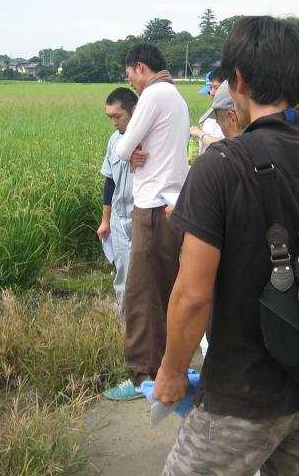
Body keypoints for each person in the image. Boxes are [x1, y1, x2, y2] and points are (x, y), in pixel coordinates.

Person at [153, 16, 299, 475]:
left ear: (240, 81)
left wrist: (171, 372)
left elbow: (192, 296)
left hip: (241, 398)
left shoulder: (222, 165)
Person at [102, 43, 190, 401]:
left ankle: (142, 377)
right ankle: (170, 366)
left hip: (152, 207)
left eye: (130, 77)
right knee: (164, 290)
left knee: (141, 295)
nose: (133, 85)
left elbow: (122, 150)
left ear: (141, 67)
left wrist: (131, 152)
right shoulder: (178, 98)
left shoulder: (155, 94)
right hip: (172, 205)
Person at [96, 87, 138, 315]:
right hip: (118, 220)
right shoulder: (114, 140)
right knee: (122, 274)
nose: (114, 122)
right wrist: (105, 221)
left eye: (118, 116)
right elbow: (109, 182)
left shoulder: (149, 139)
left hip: (141, 217)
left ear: (134, 111)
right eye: (110, 117)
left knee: (143, 276)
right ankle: (126, 326)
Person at [190, 67, 225, 151]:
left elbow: (228, 145)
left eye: (216, 88)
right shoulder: (207, 118)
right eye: (210, 88)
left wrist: (200, 133)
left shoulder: (235, 116)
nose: (212, 93)